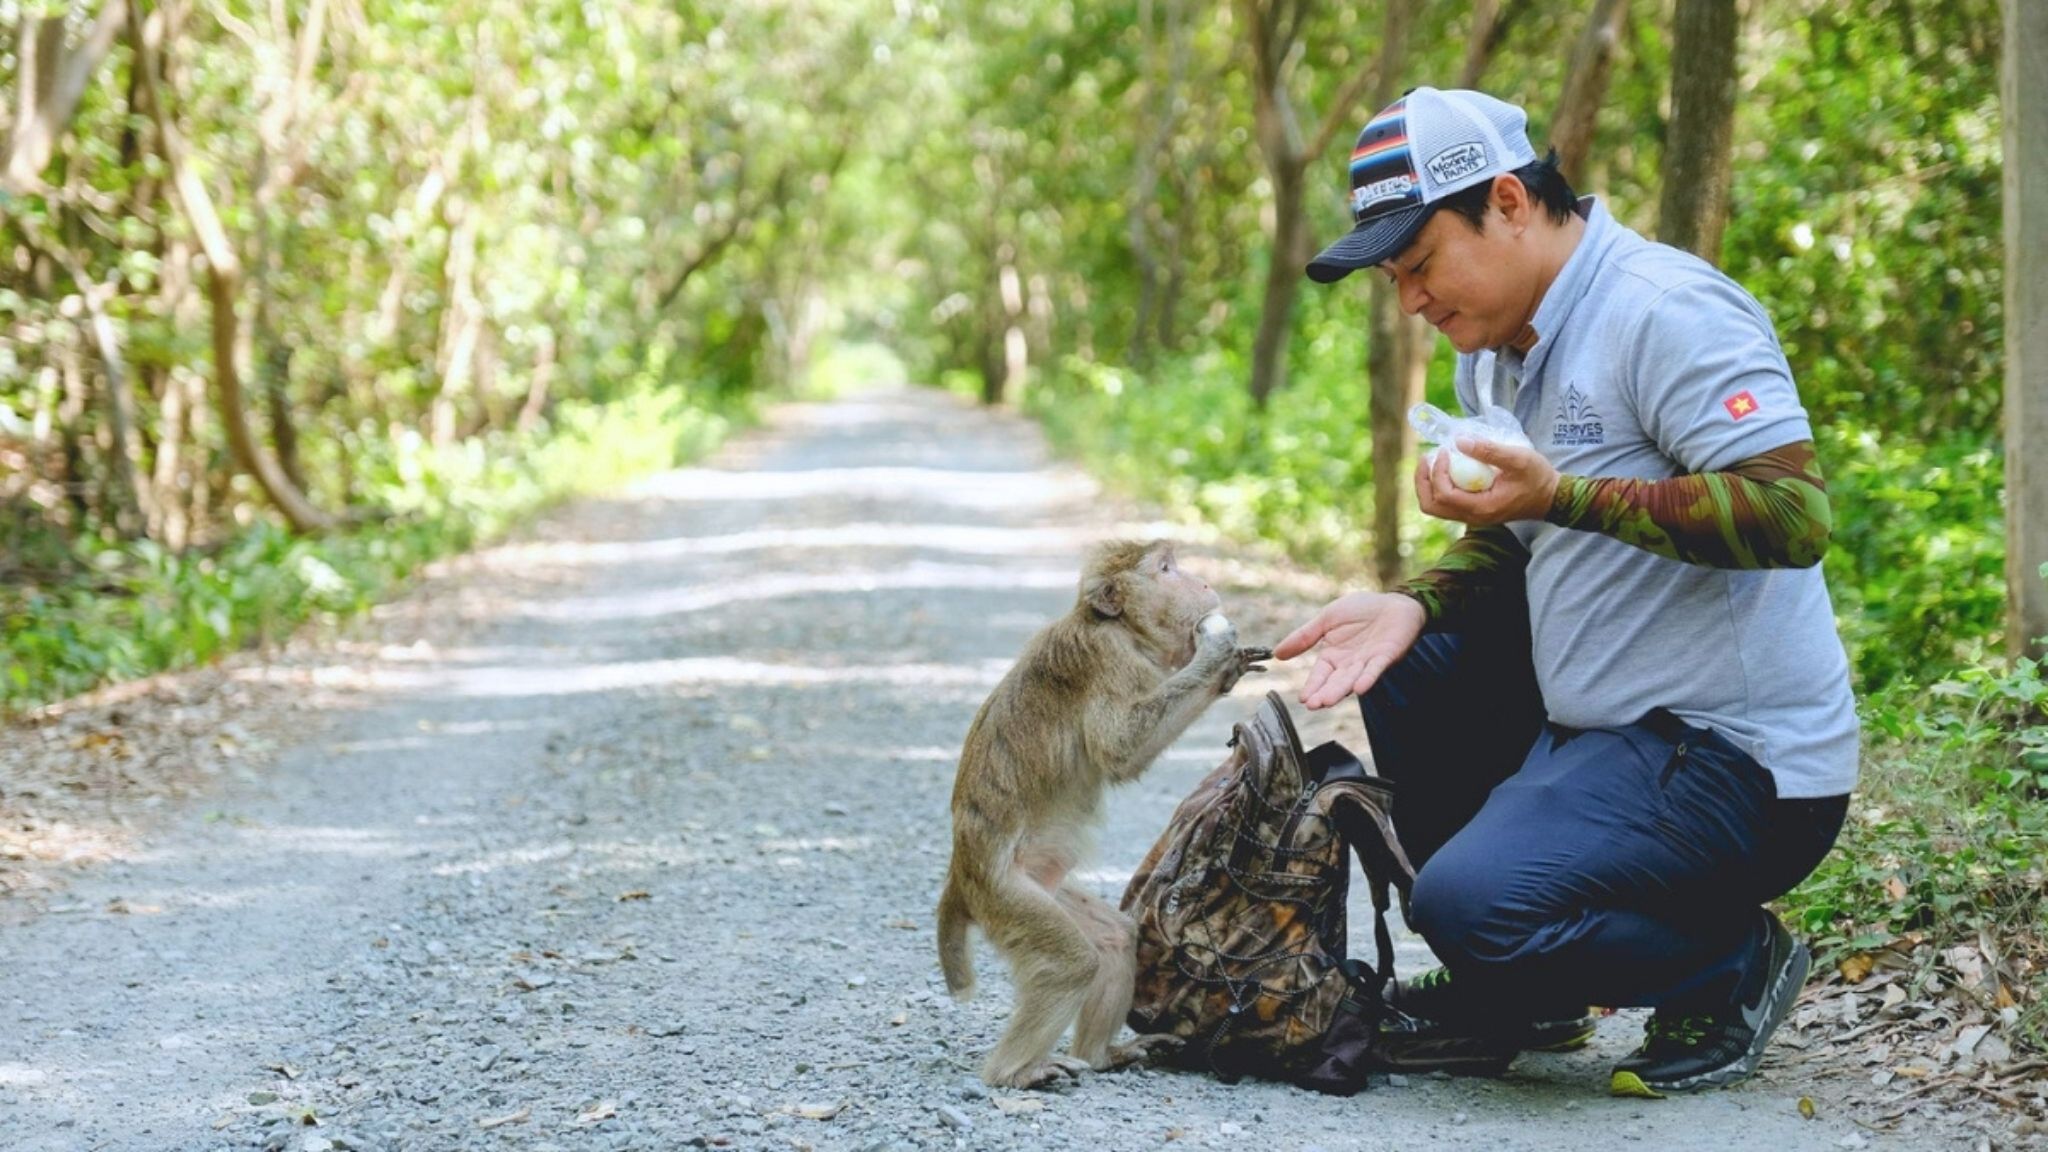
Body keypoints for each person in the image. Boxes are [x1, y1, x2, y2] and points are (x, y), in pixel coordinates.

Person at [1274, 86, 1857, 1098]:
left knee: (1461, 907)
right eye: (1394, 279)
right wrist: (1416, 600)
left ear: (1506, 201)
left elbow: (1793, 517)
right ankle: (1520, 995)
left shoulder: (1661, 311)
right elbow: (1529, 542)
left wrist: (1564, 492)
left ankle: (1727, 965)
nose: (1409, 299)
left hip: (1737, 761)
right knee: (1415, 657)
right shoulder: (1494, 360)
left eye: (1418, 266)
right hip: (1600, 734)